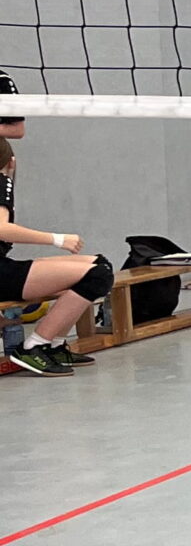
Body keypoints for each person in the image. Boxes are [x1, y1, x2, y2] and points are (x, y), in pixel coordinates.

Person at [0, 89, 113, 378]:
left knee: (98, 264)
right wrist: (57, 239)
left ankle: (54, 344)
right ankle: (34, 346)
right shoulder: (2, 182)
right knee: (96, 275)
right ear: (11, 162)